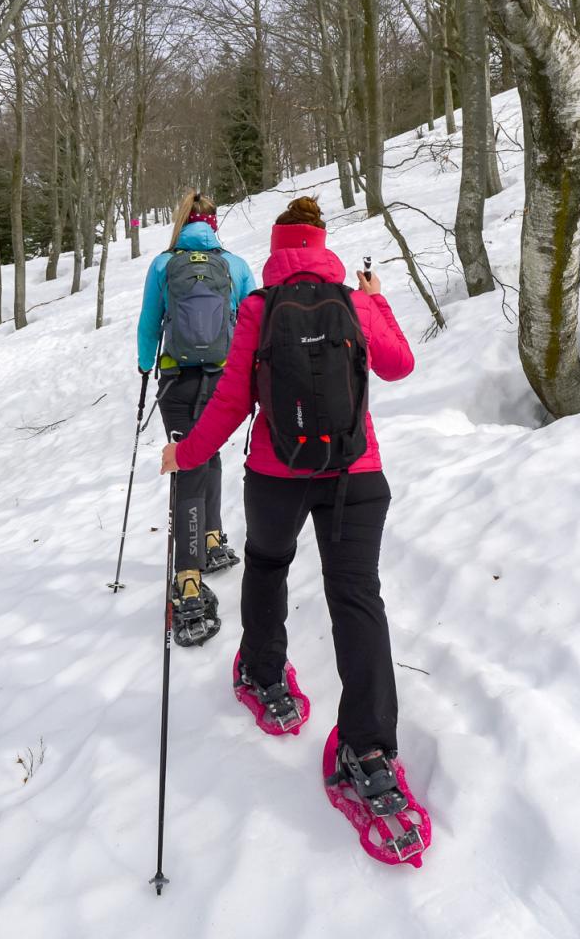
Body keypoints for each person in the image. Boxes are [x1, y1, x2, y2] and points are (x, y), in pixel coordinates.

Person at [160, 195, 418, 812]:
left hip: (276, 472)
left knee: (269, 564)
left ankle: (263, 672)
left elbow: (228, 403)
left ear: (277, 249)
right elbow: (400, 365)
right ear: (323, 244)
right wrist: (377, 297)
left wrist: (186, 455)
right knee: (357, 596)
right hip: (357, 474)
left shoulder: (256, 307)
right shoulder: (354, 302)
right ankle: (371, 750)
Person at [137, 190, 256, 645]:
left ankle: (187, 576)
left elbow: (150, 322)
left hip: (177, 381)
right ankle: (209, 538)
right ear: (214, 223)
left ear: (182, 221)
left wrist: (146, 364)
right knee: (210, 452)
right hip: (223, 382)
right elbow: (248, 320)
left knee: (187, 459)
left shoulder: (165, 265)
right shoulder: (236, 265)